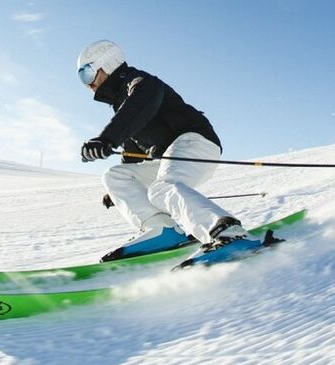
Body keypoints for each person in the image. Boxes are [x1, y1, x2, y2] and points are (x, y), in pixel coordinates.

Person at [77, 39, 264, 266]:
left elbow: (139, 107)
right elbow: (132, 151)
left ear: (106, 63)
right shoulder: (121, 105)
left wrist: (106, 138)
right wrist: (121, 190)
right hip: (167, 157)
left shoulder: (142, 83)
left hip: (194, 142)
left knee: (162, 187)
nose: (87, 84)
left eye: (87, 74)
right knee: (114, 176)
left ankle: (227, 232)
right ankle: (162, 230)